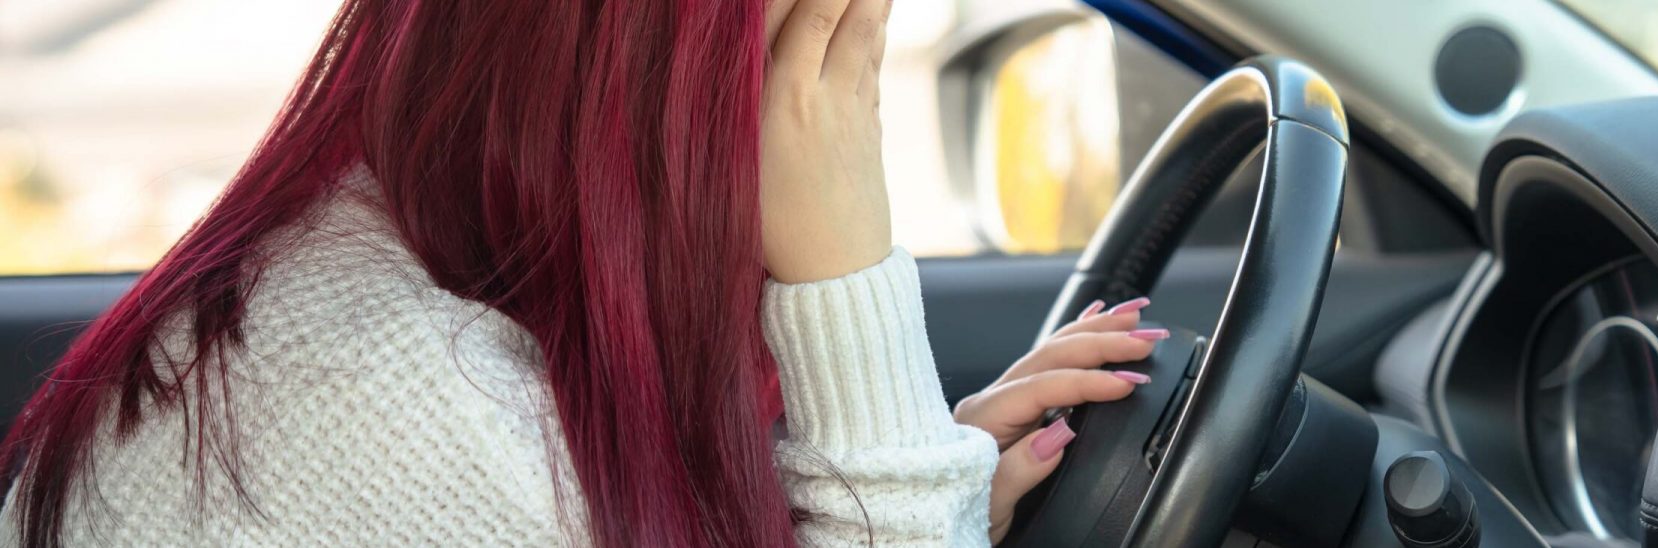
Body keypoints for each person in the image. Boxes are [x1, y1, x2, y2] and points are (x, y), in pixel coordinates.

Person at [0, 0, 1168, 546]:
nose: (835, 100)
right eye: (828, 40)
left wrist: (911, 470)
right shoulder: (441, 412)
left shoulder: (368, 262)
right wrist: (848, 269)